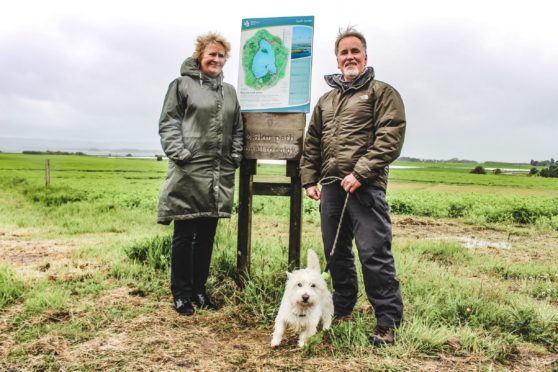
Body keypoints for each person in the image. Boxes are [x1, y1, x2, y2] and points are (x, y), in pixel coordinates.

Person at [300, 26, 405, 345]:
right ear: (336, 58)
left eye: (354, 51)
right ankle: (342, 306)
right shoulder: (326, 100)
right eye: (343, 52)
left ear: (365, 56)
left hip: (366, 188)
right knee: (337, 254)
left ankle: (388, 321)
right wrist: (308, 179)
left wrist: (360, 172)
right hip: (331, 188)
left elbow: (391, 137)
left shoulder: (382, 93)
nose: (349, 57)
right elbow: (312, 142)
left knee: (374, 253)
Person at [157, 32, 243, 316]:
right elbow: (169, 122)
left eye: (221, 56)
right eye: (211, 55)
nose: (216, 60)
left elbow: (238, 126)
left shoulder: (229, 91)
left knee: (207, 234)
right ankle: (181, 294)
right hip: (189, 171)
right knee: (185, 232)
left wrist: (235, 156)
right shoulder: (182, 85)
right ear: (200, 57)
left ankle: (199, 290)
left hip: (219, 173)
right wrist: (181, 155)